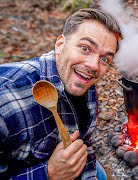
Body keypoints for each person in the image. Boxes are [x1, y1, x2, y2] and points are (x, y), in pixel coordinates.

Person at [0, 8, 122, 179]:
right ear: (60, 45)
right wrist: (49, 174)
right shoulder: (5, 102)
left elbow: (84, 144)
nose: (94, 65)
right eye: (85, 48)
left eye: (105, 59)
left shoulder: (84, 82)